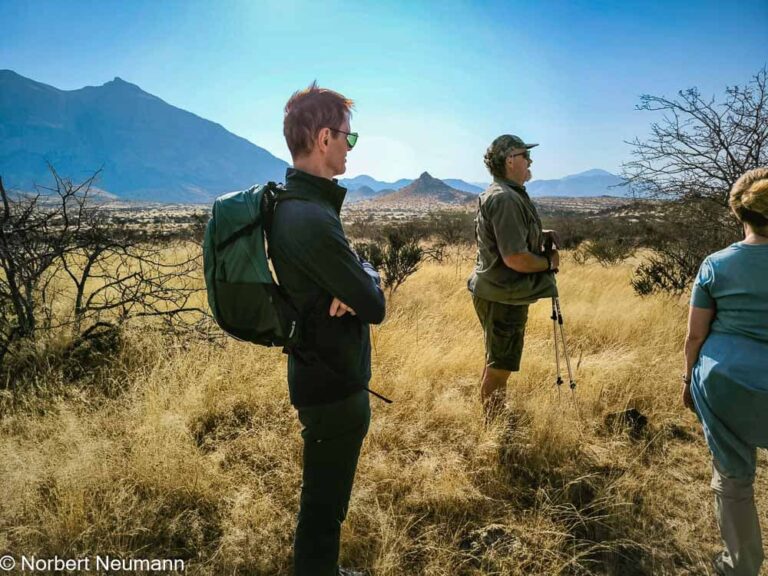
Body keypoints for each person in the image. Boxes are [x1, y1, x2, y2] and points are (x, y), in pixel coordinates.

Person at [269, 82, 386, 576]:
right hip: (332, 382)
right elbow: (374, 305)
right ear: (323, 138)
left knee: (324, 495)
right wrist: (365, 279)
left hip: (320, 372)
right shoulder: (312, 217)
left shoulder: (298, 206)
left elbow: (360, 283)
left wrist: (360, 275)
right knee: (324, 503)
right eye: (348, 137)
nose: (350, 147)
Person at [683, 167, 768, 576]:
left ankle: (740, 565)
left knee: (733, 476)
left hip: (724, 383)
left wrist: (688, 382)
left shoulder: (716, 264)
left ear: (739, 212)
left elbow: (695, 336)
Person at [468, 134, 560, 419]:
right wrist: (549, 262)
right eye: (524, 155)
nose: (530, 161)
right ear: (510, 160)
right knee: (500, 367)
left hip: (498, 292)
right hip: (504, 296)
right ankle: (496, 430)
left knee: (495, 360)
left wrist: (537, 235)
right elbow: (515, 259)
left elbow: (504, 239)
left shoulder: (506, 193)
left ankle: (492, 420)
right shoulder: (506, 198)